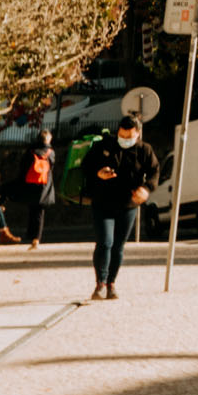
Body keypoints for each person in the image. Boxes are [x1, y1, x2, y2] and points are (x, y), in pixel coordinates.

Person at [81, 117, 159, 300]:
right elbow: (86, 165)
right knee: (105, 242)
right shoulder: (104, 145)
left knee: (118, 246)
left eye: (129, 136)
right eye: (122, 135)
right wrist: (98, 173)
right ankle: (100, 283)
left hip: (128, 205)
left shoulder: (144, 150)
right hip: (102, 202)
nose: (125, 139)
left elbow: (155, 172)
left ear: (138, 134)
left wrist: (146, 189)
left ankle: (111, 284)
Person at [13, 128, 60, 250]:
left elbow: (23, 166)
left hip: (31, 183)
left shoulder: (31, 150)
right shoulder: (50, 152)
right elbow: (52, 167)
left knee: (32, 210)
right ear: (48, 139)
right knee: (40, 212)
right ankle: (36, 238)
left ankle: (30, 235)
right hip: (44, 184)